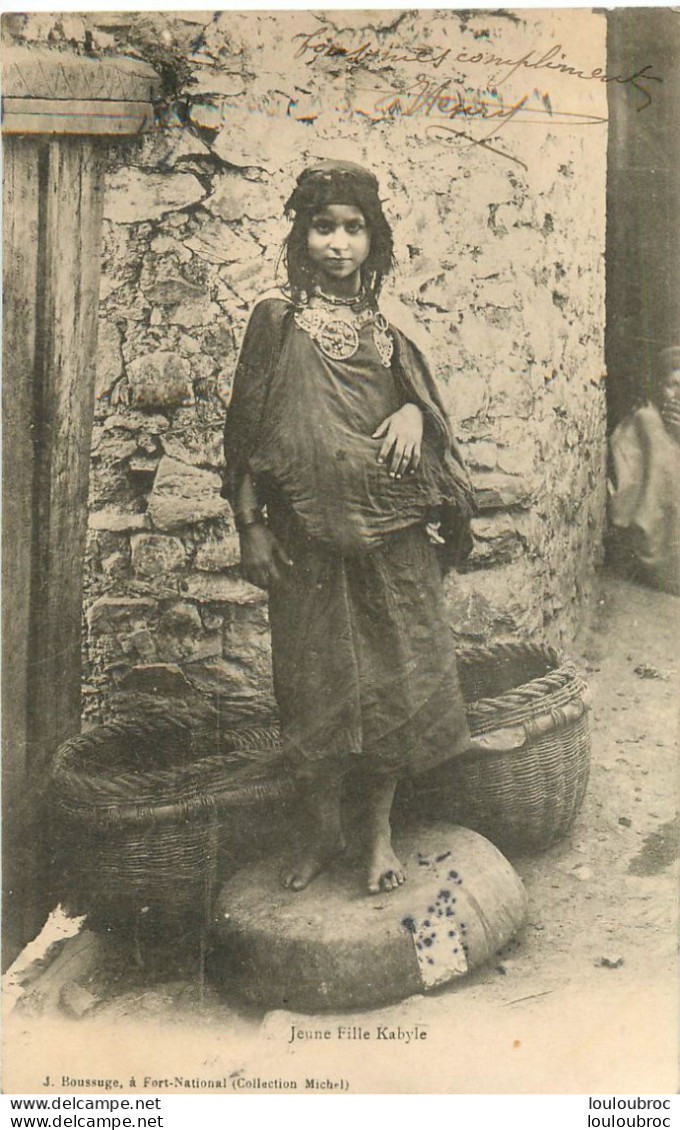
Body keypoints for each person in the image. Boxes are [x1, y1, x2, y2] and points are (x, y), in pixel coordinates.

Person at [222, 159, 476, 895]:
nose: (338, 243)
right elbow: (244, 435)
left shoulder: (387, 329)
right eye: (323, 227)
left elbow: (431, 412)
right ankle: (317, 835)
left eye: (352, 229)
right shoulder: (275, 322)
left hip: (389, 546)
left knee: (390, 689)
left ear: (374, 240)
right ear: (301, 238)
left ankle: (378, 836)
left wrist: (409, 413)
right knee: (313, 688)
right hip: (304, 543)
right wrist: (250, 527)